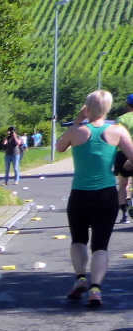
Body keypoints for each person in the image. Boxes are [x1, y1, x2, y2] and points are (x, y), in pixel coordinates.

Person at [56, 90, 133, 306]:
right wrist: (127, 164)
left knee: (78, 239)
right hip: (106, 194)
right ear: (108, 109)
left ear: (87, 108)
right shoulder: (117, 131)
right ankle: (96, 288)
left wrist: (78, 120)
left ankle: (80, 277)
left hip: (80, 193)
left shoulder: (75, 131)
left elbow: (59, 147)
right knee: (100, 245)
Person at [113, 94, 133, 223]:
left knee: (123, 185)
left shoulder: (121, 119)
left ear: (127, 105)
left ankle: (124, 214)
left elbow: (115, 138)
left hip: (123, 153)